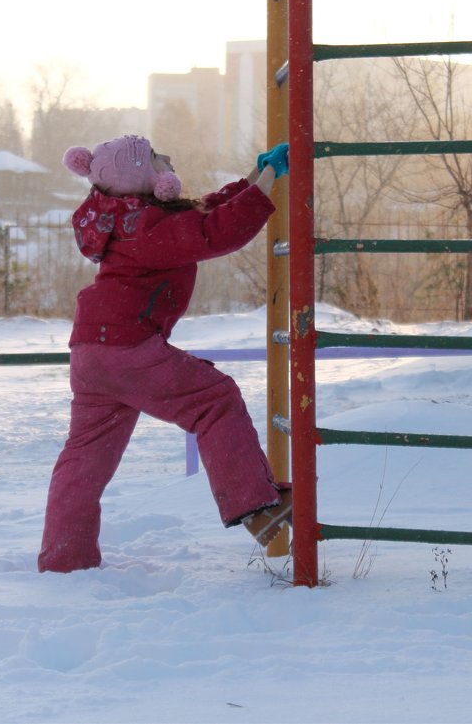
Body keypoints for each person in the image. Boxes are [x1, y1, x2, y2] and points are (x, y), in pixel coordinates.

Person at [37, 134, 292, 573]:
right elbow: (215, 232)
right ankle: (258, 507)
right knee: (214, 400)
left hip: (91, 351)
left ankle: (64, 559)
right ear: (145, 178)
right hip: (128, 348)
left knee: (85, 458)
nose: (169, 157)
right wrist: (270, 176)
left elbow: (203, 212)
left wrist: (259, 175)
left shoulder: (130, 218)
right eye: (157, 157)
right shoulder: (149, 229)